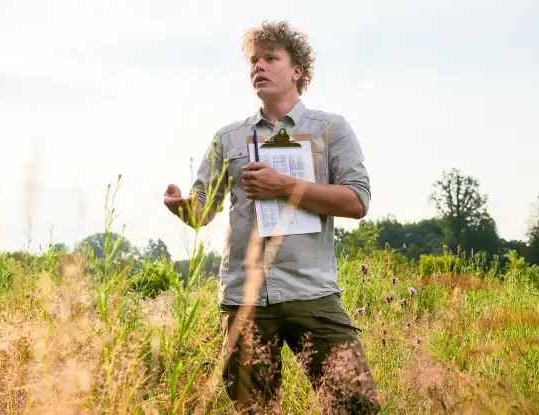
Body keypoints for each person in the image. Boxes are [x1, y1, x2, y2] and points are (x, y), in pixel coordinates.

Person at [163, 20, 381, 414]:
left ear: (297, 70)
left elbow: (357, 201)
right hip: (244, 298)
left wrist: (285, 186)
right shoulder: (229, 138)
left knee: (357, 406)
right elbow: (202, 212)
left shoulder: (331, 130)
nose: (258, 67)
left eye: (270, 58)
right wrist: (183, 207)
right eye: (253, 61)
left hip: (311, 294)